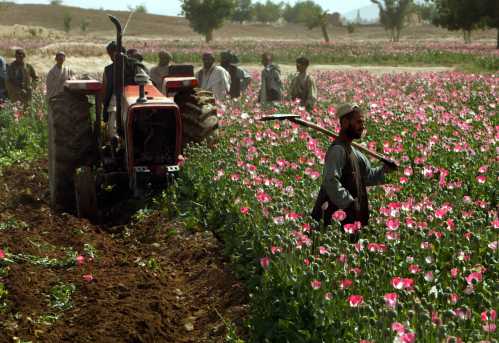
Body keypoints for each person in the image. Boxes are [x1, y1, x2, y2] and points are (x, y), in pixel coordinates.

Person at [311, 103, 397, 241]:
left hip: (351, 220)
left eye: (362, 122)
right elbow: (330, 181)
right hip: (333, 221)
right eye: (358, 122)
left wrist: (386, 170)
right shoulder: (337, 151)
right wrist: (349, 203)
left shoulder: (356, 154)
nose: (362, 126)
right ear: (345, 123)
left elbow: (367, 177)